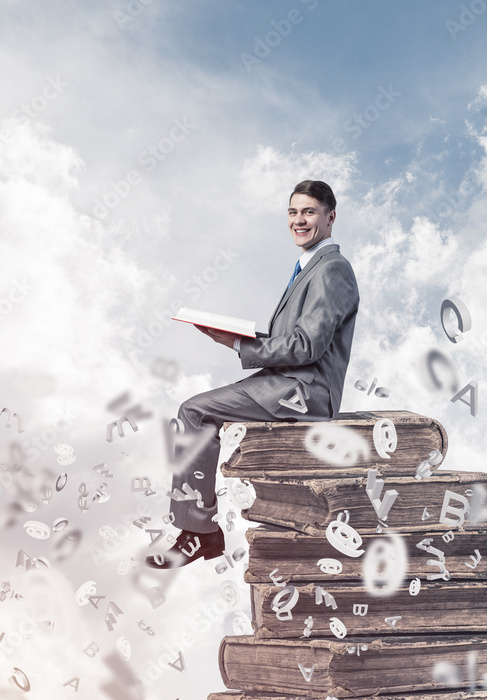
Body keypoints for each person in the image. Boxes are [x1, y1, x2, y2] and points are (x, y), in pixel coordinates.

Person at [147, 179, 360, 569]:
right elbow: (294, 339)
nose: (299, 220)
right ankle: (200, 528)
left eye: (309, 212)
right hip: (287, 380)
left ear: (331, 217)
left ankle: (200, 532)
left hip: (306, 391)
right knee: (197, 409)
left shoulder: (332, 271)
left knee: (195, 411)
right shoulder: (309, 266)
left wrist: (237, 346)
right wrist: (235, 336)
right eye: (293, 212)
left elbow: (306, 347)